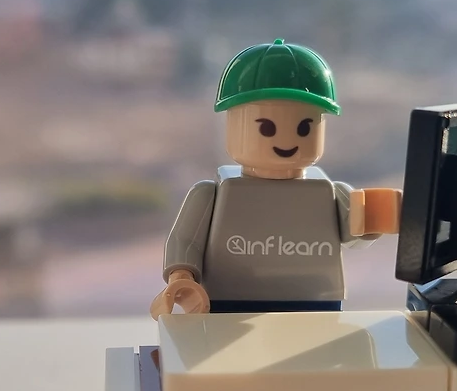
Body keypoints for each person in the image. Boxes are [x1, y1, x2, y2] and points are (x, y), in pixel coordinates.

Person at [151, 39, 401, 319]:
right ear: (232, 123)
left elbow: (355, 236)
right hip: (226, 305)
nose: (286, 140)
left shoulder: (332, 193)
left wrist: (371, 222)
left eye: (304, 128)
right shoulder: (211, 194)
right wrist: (181, 276)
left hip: (317, 305)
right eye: (267, 128)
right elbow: (185, 240)